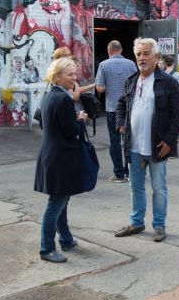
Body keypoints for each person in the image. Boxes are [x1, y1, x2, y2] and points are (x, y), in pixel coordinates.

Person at [114, 38, 179, 242]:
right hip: (133, 145)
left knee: (159, 187)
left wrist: (170, 140)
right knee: (135, 186)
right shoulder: (131, 80)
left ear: (156, 57)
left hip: (157, 145)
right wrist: (120, 123)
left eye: (146, 54)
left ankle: (159, 226)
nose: (141, 58)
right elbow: (121, 104)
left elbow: (178, 113)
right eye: (138, 55)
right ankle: (136, 222)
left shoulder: (168, 82)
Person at [34, 57, 88, 263]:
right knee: (56, 203)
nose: (74, 78)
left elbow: (50, 125)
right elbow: (71, 131)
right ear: (57, 76)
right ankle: (47, 248)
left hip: (52, 155)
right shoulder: (64, 99)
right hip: (60, 158)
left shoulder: (49, 96)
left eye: (75, 73)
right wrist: (81, 121)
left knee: (62, 201)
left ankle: (66, 239)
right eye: (69, 74)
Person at [95, 40, 137, 182]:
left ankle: (118, 174)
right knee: (129, 139)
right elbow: (137, 84)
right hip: (129, 108)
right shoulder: (131, 64)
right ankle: (130, 171)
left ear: (109, 51)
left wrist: (109, 87)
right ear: (121, 50)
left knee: (115, 141)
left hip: (112, 108)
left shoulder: (103, 65)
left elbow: (99, 87)